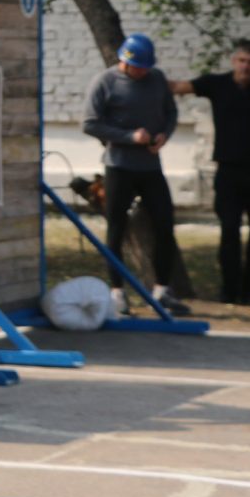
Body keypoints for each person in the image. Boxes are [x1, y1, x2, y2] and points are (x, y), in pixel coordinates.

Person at [169, 39, 250, 306]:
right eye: (242, 61)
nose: (246, 67)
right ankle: (229, 290)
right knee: (229, 231)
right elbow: (177, 87)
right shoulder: (216, 84)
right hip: (228, 170)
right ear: (233, 61)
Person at [82, 32, 190, 315]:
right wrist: (130, 136)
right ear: (125, 62)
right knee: (116, 228)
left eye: (146, 67)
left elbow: (170, 113)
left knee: (165, 225)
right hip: (119, 166)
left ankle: (161, 290)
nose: (143, 72)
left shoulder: (156, 79)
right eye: (138, 67)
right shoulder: (105, 82)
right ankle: (117, 291)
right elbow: (90, 124)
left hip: (151, 167)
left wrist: (164, 135)